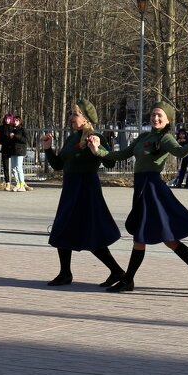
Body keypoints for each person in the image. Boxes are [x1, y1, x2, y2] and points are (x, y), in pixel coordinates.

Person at [102, 101, 188, 294]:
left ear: (167, 119)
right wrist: (99, 151)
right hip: (142, 188)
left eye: (160, 115)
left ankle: (128, 280)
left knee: (142, 236)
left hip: (153, 190)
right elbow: (121, 154)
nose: (156, 118)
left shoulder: (166, 138)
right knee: (167, 239)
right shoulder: (144, 136)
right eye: (153, 114)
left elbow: (179, 152)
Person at [42, 99, 123, 287]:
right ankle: (65, 273)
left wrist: (97, 149)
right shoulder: (72, 138)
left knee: (90, 233)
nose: (71, 117)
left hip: (86, 189)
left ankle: (117, 271)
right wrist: (48, 149)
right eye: (71, 113)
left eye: (75, 114)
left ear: (86, 118)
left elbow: (110, 162)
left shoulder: (96, 136)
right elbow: (58, 165)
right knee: (62, 228)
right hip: (70, 188)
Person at [7, 115, 29, 192]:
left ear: (20, 121)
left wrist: (15, 136)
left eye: (17, 121)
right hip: (13, 151)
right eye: (14, 121)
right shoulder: (12, 129)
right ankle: (18, 183)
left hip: (20, 151)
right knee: (13, 168)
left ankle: (22, 184)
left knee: (19, 167)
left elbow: (25, 140)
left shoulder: (23, 129)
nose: (15, 122)